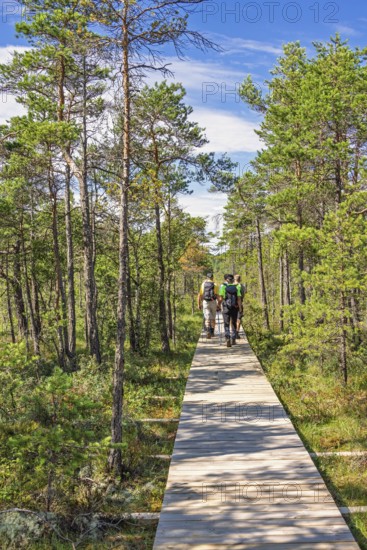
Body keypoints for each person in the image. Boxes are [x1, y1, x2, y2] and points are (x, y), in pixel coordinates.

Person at [218, 274, 242, 347]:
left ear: (226, 280)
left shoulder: (223, 286)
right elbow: (239, 299)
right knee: (234, 323)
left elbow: (221, 298)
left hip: (226, 307)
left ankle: (227, 338)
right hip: (234, 307)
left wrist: (218, 305)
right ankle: (233, 339)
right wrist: (240, 308)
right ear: (232, 280)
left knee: (226, 323)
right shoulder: (237, 286)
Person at [198, 272, 219, 339]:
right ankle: (212, 332)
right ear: (212, 277)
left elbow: (200, 295)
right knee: (213, 318)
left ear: (207, 277)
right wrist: (219, 304)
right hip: (213, 302)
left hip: (205, 302)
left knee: (207, 318)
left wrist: (199, 304)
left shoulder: (203, 284)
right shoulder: (215, 284)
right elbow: (217, 295)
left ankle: (207, 331)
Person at [234, 274, 246, 338]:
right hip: (240, 304)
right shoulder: (242, 286)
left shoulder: (231, 286)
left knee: (232, 319)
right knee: (239, 319)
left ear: (234, 279)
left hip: (232, 304)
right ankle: (237, 332)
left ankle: (233, 331)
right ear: (240, 279)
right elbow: (243, 295)